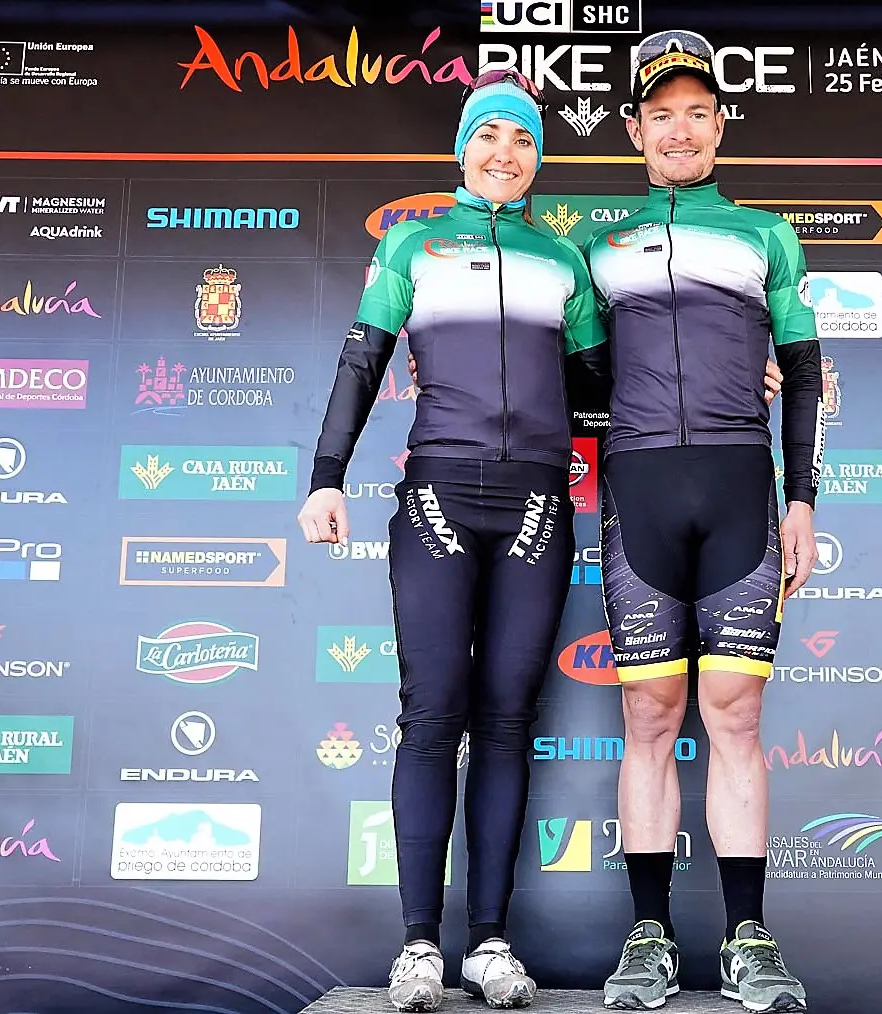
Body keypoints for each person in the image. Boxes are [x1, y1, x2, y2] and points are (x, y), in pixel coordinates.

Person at [298, 68, 602, 1012]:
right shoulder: (412, 242)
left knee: (507, 719)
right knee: (432, 715)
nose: (504, 153)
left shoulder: (563, 260)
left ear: (537, 158)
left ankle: (491, 943)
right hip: (437, 496)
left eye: (522, 138)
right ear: (462, 149)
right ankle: (419, 945)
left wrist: (739, 372)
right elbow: (362, 362)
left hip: (537, 502)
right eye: (488, 136)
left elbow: (604, 386)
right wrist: (325, 476)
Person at [588, 29, 823, 1014]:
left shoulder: (766, 234)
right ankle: (648, 938)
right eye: (660, 115)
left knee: (734, 714)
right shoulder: (598, 248)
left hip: (738, 490)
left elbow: (803, 371)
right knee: (649, 715)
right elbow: (577, 381)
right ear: (634, 129)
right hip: (638, 489)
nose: (678, 130)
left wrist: (802, 497)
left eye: (696, 112)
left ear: (720, 124)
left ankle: (746, 940)